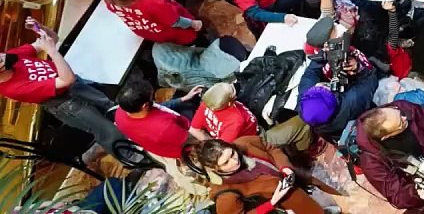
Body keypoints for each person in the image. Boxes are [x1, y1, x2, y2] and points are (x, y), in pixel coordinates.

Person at [0, 19, 126, 159]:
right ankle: (132, 157)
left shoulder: (12, 56)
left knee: (110, 106)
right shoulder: (15, 88)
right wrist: (52, 52)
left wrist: (41, 29)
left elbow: (52, 39)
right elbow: (66, 79)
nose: (3, 55)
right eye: (1, 60)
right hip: (65, 104)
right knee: (105, 130)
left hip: (74, 86)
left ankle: (136, 131)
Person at [185, 136, 338, 214]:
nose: (234, 161)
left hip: (294, 181)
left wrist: (284, 167)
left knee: (316, 204)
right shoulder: (225, 193)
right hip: (287, 204)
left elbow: (270, 147)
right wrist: (272, 202)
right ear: (214, 168)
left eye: (232, 153)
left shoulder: (244, 143)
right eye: (226, 162)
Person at [355, 100, 424, 214]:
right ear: (387, 137)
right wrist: (419, 191)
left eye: (399, 114)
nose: (405, 118)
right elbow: (396, 195)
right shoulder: (371, 162)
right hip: (420, 187)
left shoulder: (401, 108)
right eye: (401, 123)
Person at [113, 79, 193, 161]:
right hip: (183, 145)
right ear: (145, 105)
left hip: (163, 138)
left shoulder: (120, 112)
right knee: (192, 105)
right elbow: (192, 139)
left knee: (182, 97)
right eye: (151, 97)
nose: (153, 99)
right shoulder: (164, 128)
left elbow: (158, 107)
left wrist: (183, 99)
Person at [190, 82, 259, 142]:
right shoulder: (208, 101)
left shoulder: (208, 101)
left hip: (246, 135)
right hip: (231, 133)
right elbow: (193, 130)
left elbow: (194, 130)